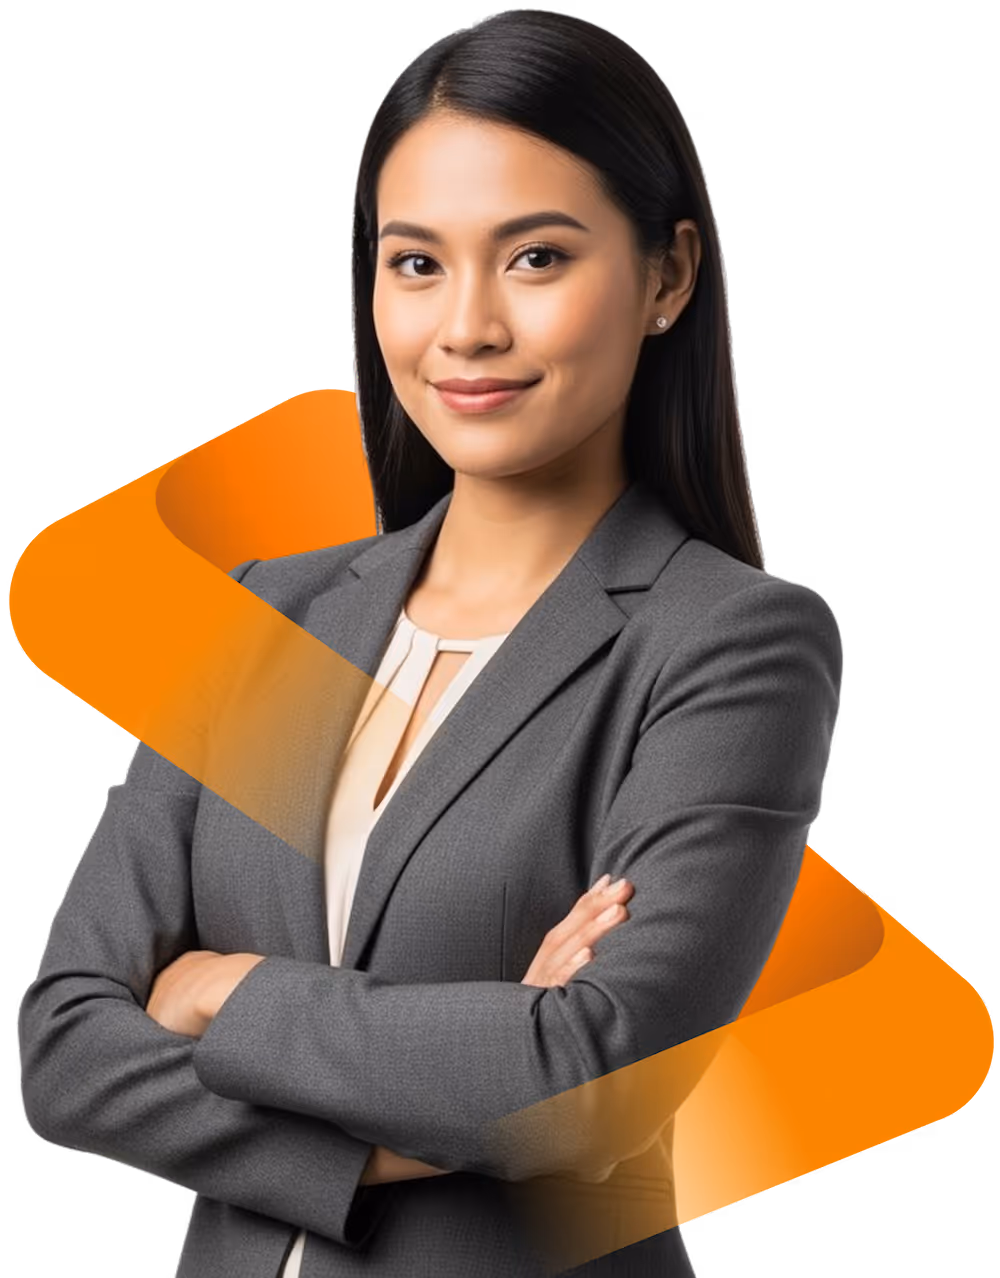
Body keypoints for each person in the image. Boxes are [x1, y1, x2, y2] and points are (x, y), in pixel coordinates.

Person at [18, 10, 842, 1277]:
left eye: (535, 259)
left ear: (669, 276)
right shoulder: (267, 619)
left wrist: (215, 992)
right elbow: (69, 1049)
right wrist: (469, 1088)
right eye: (416, 263)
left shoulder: (728, 645)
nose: (465, 329)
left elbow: (588, 1086)